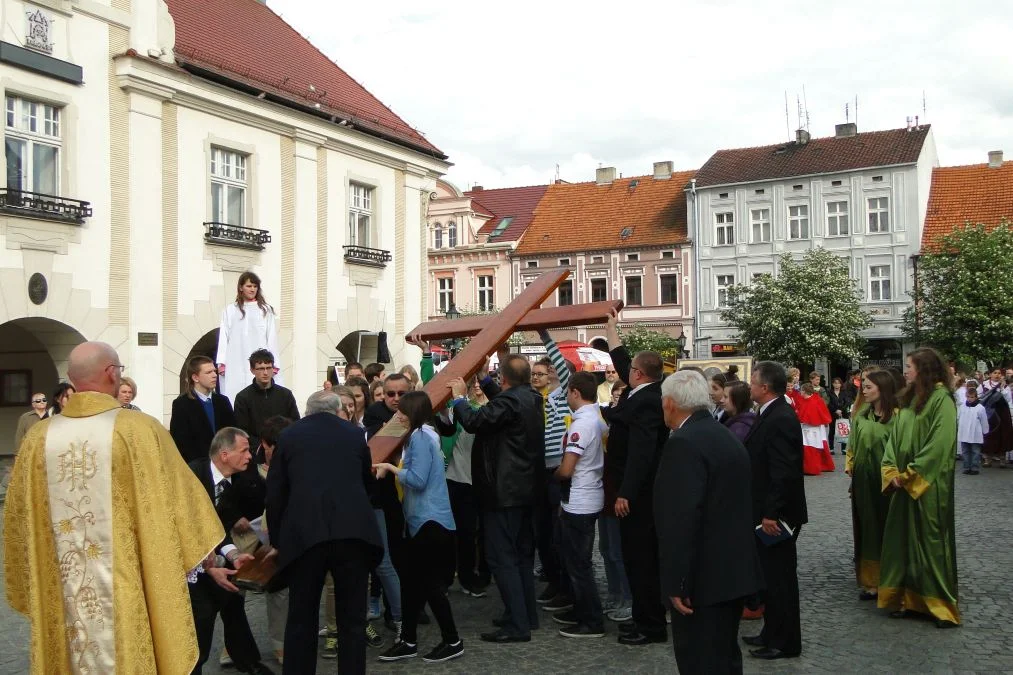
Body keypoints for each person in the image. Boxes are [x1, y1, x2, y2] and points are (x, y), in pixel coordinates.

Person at [4, 341, 224, 674]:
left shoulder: (38, 440)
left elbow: (18, 520)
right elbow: (182, 503)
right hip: (126, 587)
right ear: (111, 373)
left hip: (62, 586)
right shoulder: (139, 430)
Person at [266, 390, 385, 674]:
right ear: (337, 410)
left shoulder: (289, 436)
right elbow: (366, 483)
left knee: (301, 618)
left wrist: (278, 539)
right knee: (352, 620)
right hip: (352, 533)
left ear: (307, 411)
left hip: (305, 536)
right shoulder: (354, 435)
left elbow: (276, 492)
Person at [656, 370, 763, 674]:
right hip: (732, 573)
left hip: (703, 580)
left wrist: (676, 581)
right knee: (724, 658)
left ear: (669, 403)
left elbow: (681, 518)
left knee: (700, 660)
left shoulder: (685, 443)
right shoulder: (723, 435)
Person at [449, 353, 544, 644]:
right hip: (526, 491)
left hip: (503, 493)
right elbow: (503, 406)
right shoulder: (530, 397)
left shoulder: (511, 401)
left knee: (502, 558)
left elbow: (476, 421)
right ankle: (526, 614)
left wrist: (458, 399)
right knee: (522, 557)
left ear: (505, 379)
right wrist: (484, 378)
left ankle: (517, 625)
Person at [375, 392, 463, 663]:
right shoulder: (421, 435)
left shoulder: (421, 438)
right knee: (413, 584)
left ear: (412, 413)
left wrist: (390, 467)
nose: (397, 415)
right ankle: (409, 640)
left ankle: (452, 640)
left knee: (430, 585)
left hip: (430, 522)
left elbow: (417, 479)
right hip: (423, 521)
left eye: (402, 411)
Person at [602, 310, 669, 646]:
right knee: (635, 559)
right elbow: (624, 360)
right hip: (635, 493)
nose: (624, 372)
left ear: (639, 375)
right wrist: (612, 329)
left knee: (642, 561)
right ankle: (643, 618)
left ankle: (651, 626)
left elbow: (641, 454)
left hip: (639, 497)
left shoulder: (646, 403)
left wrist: (625, 492)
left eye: (630, 370)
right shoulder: (643, 392)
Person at [879, 347, 959, 628]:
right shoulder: (909, 401)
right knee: (904, 543)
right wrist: (890, 471)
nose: (905, 371)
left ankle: (939, 605)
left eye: (910, 366)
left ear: (924, 370)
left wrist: (911, 474)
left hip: (927, 487)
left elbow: (940, 444)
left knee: (930, 543)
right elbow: (894, 439)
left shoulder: (942, 400)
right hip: (902, 484)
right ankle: (909, 599)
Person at [187, 427, 272, 675]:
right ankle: (193, 667)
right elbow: (185, 526)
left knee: (232, 600)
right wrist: (209, 565)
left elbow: (218, 526)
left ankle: (249, 663)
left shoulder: (235, 481)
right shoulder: (192, 475)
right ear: (225, 454)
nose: (250, 456)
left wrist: (234, 555)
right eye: (244, 450)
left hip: (211, 556)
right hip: (187, 561)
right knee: (203, 616)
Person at [742, 361, 807, 660]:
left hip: (777, 516)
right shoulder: (769, 413)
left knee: (780, 580)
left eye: (753, 381)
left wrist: (771, 513)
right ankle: (771, 632)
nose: (749, 385)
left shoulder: (780, 417)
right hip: (765, 511)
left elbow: (783, 472)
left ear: (765, 387)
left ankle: (785, 641)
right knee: (768, 577)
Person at [551, 372, 608, 638]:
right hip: (585, 496)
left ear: (575, 392)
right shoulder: (592, 420)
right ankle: (580, 609)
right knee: (576, 561)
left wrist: (554, 474)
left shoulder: (581, 425)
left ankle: (591, 620)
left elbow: (568, 468)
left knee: (579, 565)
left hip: (580, 499)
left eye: (567, 392)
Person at [530, 330, 573, 611]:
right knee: (542, 532)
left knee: (559, 533)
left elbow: (563, 369)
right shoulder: (529, 401)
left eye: (540, 374)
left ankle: (564, 586)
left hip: (556, 471)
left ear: (552, 377)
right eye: (533, 374)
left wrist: (544, 334)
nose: (535, 378)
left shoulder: (559, 398)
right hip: (537, 473)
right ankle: (553, 579)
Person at [846, 370, 898, 600]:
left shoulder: (898, 417)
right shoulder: (861, 416)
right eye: (863, 387)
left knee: (889, 529)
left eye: (868, 387)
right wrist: (852, 469)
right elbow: (852, 447)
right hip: (864, 482)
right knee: (868, 529)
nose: (864, 391)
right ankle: (871, 581)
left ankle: (892, 579)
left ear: (883, 388)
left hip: (888, 483)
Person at [256, 415, 294, 666]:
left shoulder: (294, 464)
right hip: (250, 534)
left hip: (281, 535)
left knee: (280, 591)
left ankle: (281, 644)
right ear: (264, 445)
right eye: (274, 449)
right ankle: (232, 644)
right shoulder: (249, 466)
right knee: (239, 594)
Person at [217, 271, 282, 406]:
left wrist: (273, 363)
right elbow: (224, 336)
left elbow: (271, 338)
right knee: (235, 394)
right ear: (241, 287)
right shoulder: (230, 310)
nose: (252, 289)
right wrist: (222, 362)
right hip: (236, 358)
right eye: (249, 286)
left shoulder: (265, 310)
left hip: (259, 359)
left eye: (254, 286)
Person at [599, 380, 632, 622]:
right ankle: (614, 593)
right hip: (605, 493)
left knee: (618, 550)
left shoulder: (628, 429)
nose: (617, 401)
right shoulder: (608, 423)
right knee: (606, 549)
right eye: (616, 397)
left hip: (618, 495)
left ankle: (627, 598)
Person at [171, 356, 238, 463]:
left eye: (215, 371)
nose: (214, 375)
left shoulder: (223, 401)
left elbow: (233, 432)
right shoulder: (181, 404)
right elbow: (181, 441)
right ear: (195, 378)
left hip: (225, 463)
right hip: (198, 466)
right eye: (209, 372)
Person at [233, 349, 301, 450]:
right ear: (252, 370)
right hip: (256, 452)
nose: (265, 372)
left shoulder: (285, 394)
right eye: (260, 369)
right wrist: (261, 448)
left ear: (273, 369)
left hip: (284, 448)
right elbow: (242, 430)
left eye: (268, 368)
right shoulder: (243, 398)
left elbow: (295, 423)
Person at [791, 383, 835, 474]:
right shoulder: (810, 399)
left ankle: (812, 468)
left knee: (811, 448)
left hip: (812, 428)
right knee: (809, 448)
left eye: (801, 390)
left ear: (804, 391)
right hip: (809, 427)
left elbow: (811, 415)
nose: (800, 392)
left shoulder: (813, 401)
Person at [978, 367, 1012, 467]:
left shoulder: (1005, 386)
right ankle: (987, 458)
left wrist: (1002, 388)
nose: (997, 375)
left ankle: (1002, 459)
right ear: (990, 374)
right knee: (988, 434)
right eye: (995, 373)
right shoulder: (984, 385)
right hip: (989, 413)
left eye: (999, 373)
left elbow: (1008, 399)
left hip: (1002, 413)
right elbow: (978, 397)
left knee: (1003, 434)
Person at [959, 384, 989, 475]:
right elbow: (959, 418)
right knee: (965, 451)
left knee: (975, 451)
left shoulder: (980, 408)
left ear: (976, 397)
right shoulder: (962, 407)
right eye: (968, 397)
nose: (969, 399)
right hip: (964, 433)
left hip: (975, 433)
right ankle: (967, 467)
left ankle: (974, 467)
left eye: (972, 397)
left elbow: (984, 420)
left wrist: (985, 431)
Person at [827, 377, 850, 452]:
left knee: (843, 430)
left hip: (843, 414)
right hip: (833, 413)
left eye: (838, 383)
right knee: (832, 431)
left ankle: (843, 448)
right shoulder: (829, 392)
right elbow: (828, 403)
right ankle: (831, 448)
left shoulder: (844, 392)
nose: (837, 384)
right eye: (835, 383)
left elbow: (847, 402)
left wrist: (841, 410)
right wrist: (835, 410)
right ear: (833, 384)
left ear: (841, 384)